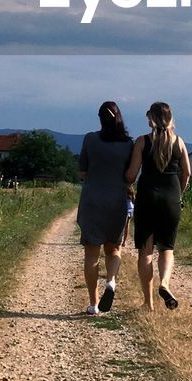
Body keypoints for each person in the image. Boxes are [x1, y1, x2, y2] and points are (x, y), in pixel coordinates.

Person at [125, 101, 191, 311]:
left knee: (145, 252)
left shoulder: (142, 142)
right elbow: (187, 173)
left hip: (147, 199)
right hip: (171, 199)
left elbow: (131, 174)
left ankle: (148, 302)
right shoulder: (179, 142)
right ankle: (164, 283)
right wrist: (178, 193)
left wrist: (126, 182)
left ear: (150, 118)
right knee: (167, 249)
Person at [77, 101, 132, 315]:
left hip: (92, 201)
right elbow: (131, 175)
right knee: (114, 249)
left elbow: (82, 172)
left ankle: (94, 303)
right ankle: (111, 281)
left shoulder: (90, 139)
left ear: (100, 118)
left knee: (91, 255)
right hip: (117, 201)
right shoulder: (128, 144)